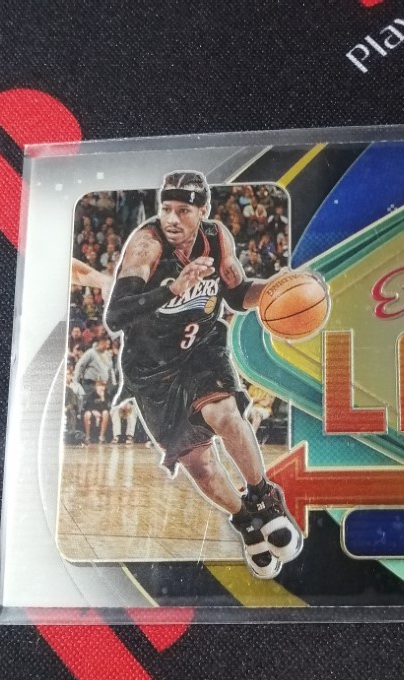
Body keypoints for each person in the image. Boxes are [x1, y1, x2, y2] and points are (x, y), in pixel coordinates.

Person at [104, 170, 301, 579]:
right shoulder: (146, 245)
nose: (172, 219)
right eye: (166, 209)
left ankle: (264, 497)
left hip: (201, 349)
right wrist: (171, 290)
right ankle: (246, 521)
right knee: (201, 465)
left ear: (203, 211)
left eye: (183, 210)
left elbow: (237, 293)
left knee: (224, 414)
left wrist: (272, 290)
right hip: (152, 371)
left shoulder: (217, 237)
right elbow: (115, 315)